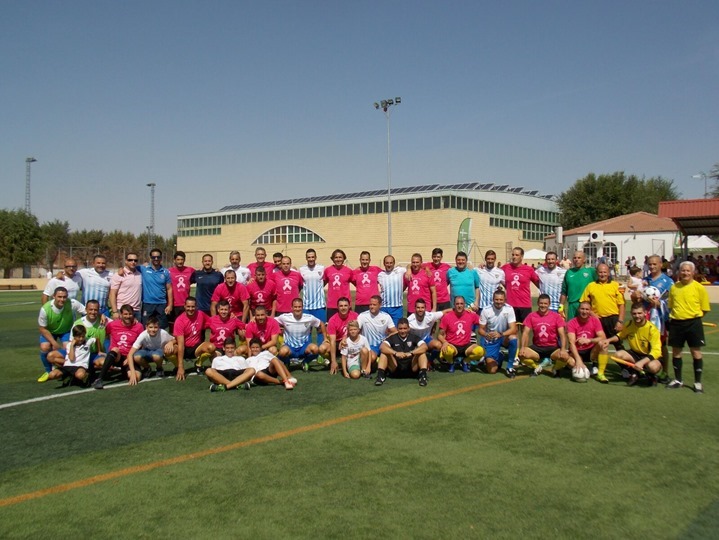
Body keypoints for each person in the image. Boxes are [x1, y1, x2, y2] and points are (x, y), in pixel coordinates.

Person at [666, 261, 710, 393]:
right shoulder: (674, 288)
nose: (685, 273)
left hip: (693, 323)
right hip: (676, 322)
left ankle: (697, 383)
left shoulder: (699, 288)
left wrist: (694, 318)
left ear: (693, 272)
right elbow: (671, 306)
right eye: (683, 270)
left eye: (688, 271)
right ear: (679, 272)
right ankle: (678, 380)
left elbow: (705, 309)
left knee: (695, 352)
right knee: (676, 352)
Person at [579, 263, 625, 381]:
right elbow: (584, 302)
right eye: (600, 272)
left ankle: (625, 368)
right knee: (598, 343)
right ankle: (595, 366)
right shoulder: (591, 286)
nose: (602, 274)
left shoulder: (615, 285)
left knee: (618, 344)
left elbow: (621, 305)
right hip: (597, 319)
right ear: (597, 273)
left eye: (605, 272)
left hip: (613, 318)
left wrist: (620, 321)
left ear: (609, 273)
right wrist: (593, 315)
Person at [601, 303, 662, 386]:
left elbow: (656, 351)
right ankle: (634, 372)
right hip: (635, 354)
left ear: (645, 313)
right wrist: (608, 340)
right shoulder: (629, 324)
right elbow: (620, 336)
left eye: (639, 313)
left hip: (649, 357)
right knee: (617, 355)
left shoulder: (652, 329)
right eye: (634, 313)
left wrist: (642, 362)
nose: (637, 316)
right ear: (631, 314)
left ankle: (650, 375)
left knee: (653, 367)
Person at [37, 286, 86, 382]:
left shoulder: (72, 303)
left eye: (64, 297)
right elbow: (42, 328)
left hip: (66, 331)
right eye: (59, 297)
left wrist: (101, 316)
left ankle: (66, 369)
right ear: (53, 296)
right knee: (45, 347)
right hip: (50, 331)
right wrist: (54, 343)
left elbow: (85, 311)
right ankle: (48, 370)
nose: (62, 299)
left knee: (67, 347)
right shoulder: (45, 309)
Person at [92, 304, 145, 389]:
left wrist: (130, 357)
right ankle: (99, 379)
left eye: (130, 314)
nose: (128, 316)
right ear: (121, 315)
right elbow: (104, 335)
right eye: (125, 314)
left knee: (136, 377)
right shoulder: (112, 325)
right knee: (115, 350)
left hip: (130, 357)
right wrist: (102, 348)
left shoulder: (139, 326)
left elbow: (142, 344)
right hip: (117, 356)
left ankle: (124, 371)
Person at [518, 294, 569, 379]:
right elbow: (525, 333)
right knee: (521, 355)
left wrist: (563, 349)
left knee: (565, 356)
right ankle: (537, 367)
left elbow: (562, 334)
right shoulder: (531, 316)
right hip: (537, 347)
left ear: (549, 304)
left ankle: (555, 369)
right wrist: (522, 347)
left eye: (545, 303)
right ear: (538, 303)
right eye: (541, 303)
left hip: (552, 347)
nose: (543, 305)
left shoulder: (556, 316)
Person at [276, 298, 329, 369]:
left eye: (299, 307)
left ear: (302, 307)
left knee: (315, 349)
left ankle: (305, 362)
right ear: (291, 308)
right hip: (290, 347)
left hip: (304, 347)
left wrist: (325, 338)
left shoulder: (309, 318)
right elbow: (271, 321)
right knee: (282, 352)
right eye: (295, 307)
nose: (297, 309)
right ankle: (286, 361)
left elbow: (321, 324)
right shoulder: (284, 317)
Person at [375, 318, 429, 387]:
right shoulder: (392, 338)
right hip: (395, 367)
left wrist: (411, 353)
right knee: (384, 353)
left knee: (422, 352)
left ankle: (423, 376)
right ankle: (380, 376)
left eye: (405, 328)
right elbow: (382, 347)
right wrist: (395, 353)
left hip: (411, 368)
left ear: (409, 329)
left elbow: (425, 347)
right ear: (397, 329)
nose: (403, 331)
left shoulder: (414, 337)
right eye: (400, 329)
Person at [437, 296, 484, 373]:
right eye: (457, 304)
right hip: (452, 345)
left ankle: (465, 361)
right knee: (446, 351)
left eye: (461, 304)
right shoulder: (447, 317)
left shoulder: (471, 315)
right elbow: (439, 335)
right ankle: (451, 362)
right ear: (454, 305)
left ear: (464, 304)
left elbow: (483, 322)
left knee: (480, 351)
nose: (459, 306)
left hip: (466, 346)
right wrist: (445, 342)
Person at [126, 316, 177, 384]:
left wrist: (171, 342)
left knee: (156, 356)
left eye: (155, 327)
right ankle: (147, 368)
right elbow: (130, 354)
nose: (153, 330)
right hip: (146, 351)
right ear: (146, 327)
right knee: (136, 356)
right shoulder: (143, 335)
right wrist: (132, 373)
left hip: (158, 351)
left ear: (159, 327)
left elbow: (175, 339)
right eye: (150, 327)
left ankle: (159, 368)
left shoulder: (163, 333)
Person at [173, 296, 214, 380]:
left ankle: (198, 363)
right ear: (184, 306)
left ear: (196, 307)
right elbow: (180, 344)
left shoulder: (201, 314)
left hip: (196, 348)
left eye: (193, 306)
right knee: (168, 351)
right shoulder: (179, 321)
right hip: (183, 347)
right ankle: (177, 366)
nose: (190, 309)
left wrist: (228, 319)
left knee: (211, 347)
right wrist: (181, 367)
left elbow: (213, 322)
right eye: (188, 306)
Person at [478, 290, 518, 375]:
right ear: (493, 299)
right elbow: (480, 330)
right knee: (492, 371)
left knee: (513, 337)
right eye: (496, 299)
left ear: (504, 300)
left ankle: (510, 366)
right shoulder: (486, 310)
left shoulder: (509, 309)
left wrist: (501, 334)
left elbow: (513, 329)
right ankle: (499, 355)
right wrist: (486, 334)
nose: (499, 302)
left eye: (501, 300)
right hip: (491, 339)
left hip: (503, 337)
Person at [565, 301, 608, 379]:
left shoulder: (595, 321)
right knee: (572, 363)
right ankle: (579, 365)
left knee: (603, 344)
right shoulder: (571, 323)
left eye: (587, 309)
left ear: (590, 311)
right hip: (577, 351)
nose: (584, 311)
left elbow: (603, 337)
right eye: (582, 309)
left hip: (590, 351)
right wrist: (578, 360)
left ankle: (600, 372)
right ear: (578, 310)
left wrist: (589, 340)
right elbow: (571, 343)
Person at [501, 247, 540, 326]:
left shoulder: (529, 269)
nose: (514, 257)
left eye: (517, 255)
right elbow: (495, 274)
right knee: (512, 331)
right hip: (510, 305)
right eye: (513, 255)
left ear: (522, 257)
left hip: (525, 305)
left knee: (525, 330)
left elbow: (538, 283)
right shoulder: (505, 268)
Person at [357, 295, 397, 367]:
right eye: (370, 304)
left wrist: (388, 337)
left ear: (380, 305)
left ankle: (380, 360)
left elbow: (395, 331)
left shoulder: (386, 316)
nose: (372, 306)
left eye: (374, 305)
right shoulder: (362, 316)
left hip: (382, 345)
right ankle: (375, 360)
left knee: (395, 356)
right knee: (372, 358)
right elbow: (356, 330)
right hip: (370, 345)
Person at [138, 249, 173, 328]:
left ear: (161, 258)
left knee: (161, 327)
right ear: (150, 258)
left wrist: (170, 305)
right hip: (147, 304)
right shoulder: (144, 269)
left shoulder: (165, 272)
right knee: (146, 327)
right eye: (154, 257)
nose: (156, 259)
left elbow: (169, 289)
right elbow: (130, 267)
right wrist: (121, 269)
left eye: (158, 257)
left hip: (161, 304)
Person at [560, 251, 597, 320]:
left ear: (584, 259)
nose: (576, 259)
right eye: (574, 258)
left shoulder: (591, 271)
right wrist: (561, 306)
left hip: (586, 306)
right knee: (571, 328)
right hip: (572, 306)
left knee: (586, 329)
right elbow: (564, 291)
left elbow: (603, 280)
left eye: (579, 258)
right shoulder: (569, 272)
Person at [327, 297, 358, 375]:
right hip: (338, 343)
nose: (343, 308)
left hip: (351, 341)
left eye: (345, 305)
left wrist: (345, 338)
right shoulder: (332, 320)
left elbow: (359, 332)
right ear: (337, 307)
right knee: (323, 349)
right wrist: (333, 361)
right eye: (341, 306)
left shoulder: (355, 316)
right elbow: (333, 341)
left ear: (349, 306)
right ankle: (332, 361)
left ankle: (355, 360)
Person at [299, 248, 327, 337]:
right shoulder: (301, 270)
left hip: (319, 306)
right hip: (306, 306)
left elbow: (325, 281)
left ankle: (322, 350)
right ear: (306, 258)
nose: (311, 259)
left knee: (321, 331)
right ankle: (308, 350)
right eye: (309, 257)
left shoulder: (322, 268)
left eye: (312, 257)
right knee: (306, 332)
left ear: (315, 257)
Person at [109, 252, 142, 320]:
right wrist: (115, 311)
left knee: (136, 330)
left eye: (135, 260)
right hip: (122, 310)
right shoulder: (119, 275)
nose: (133, 262)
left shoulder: (139, 274)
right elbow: (112, 294)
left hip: (136, 310)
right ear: (126, 261)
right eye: (130, 260)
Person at [168, 251, 195, 327]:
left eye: (182, 259)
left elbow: (202, 274)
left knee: (186, 326)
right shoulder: (169, 271)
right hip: (173, 304)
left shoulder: (190, 270)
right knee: (173, 328)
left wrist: (215, 270)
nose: (180, 262)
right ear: (174, 260)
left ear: (184, 260)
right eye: (178, 259)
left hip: (186, 304)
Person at [323, 249, 353, 320]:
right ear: (332, 259)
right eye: (336, 257)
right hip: (332, 305)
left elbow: (356, 283)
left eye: (340, 257)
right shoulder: (327, 270)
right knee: (331, 328)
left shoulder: (349, 271)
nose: (338, 259)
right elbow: (322, 284)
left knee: (347, 328)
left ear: (343, 258)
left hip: (345, 305)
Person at [377, 255, 406, 325]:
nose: (389, 265)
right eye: (387, 263)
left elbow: (410, 266)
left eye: (391, 263)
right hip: (384, 307)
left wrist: (409, 270)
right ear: (384, 264)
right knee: (384, 330)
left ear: (394, 263)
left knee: (396, 330)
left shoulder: (400, 271)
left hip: (397, 307)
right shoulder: (380, 275)